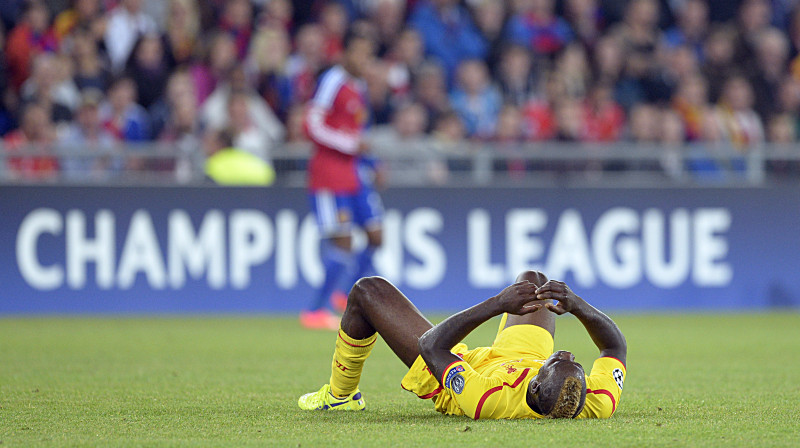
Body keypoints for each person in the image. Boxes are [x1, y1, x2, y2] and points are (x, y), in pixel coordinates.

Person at [298, 271, 627, 419]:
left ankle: (340, 397)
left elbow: (431, 346)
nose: (566, 353)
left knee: (368, 291)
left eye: (558, 361)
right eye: (575, 363)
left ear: (536, 385)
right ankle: (534, 312)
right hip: (523, 356)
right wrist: (578, 305)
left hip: (451, 364)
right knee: (536, 282)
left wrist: (497, 304)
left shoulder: (486, 399)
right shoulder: (594, 400)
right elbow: (614, 348)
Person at [302, 26, 384, 330]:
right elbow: (312, 124)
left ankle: (343, 292)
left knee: (377, 236)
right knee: (344, 241)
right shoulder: (332, 81)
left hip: (354, 172)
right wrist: (350, 146)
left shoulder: (358, 85)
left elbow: (357, 132)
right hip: (329, 174)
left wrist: (372, 161)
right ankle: (314, 310)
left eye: (368, 53)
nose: (364, 58)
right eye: (360, 52)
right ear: (345, 52)